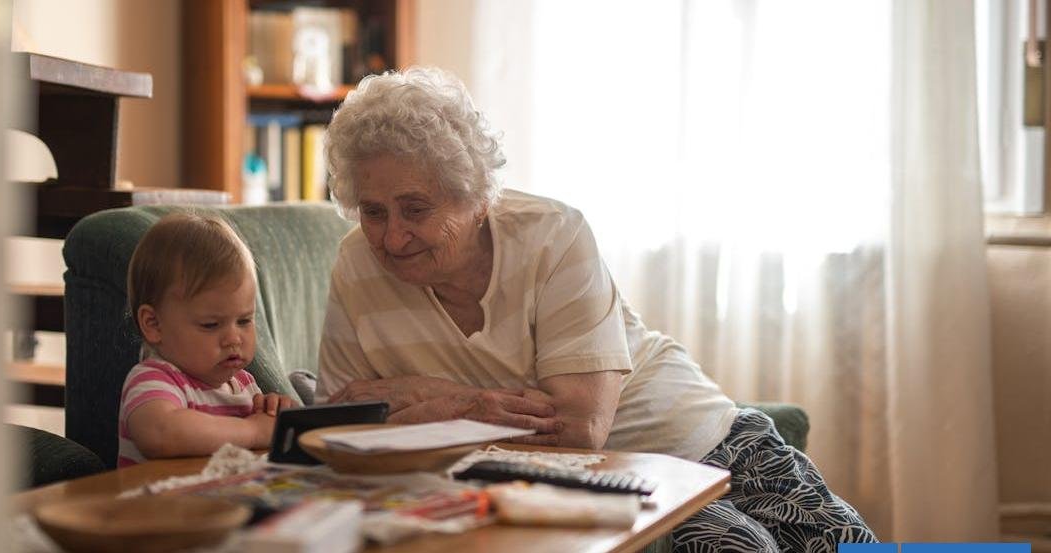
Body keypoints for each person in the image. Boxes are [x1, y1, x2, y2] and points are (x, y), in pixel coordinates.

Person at [316, 67, 877, 551]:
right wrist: (458, 414)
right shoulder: (356, 266)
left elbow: (578, 427)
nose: (391, 239)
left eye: (414, 209)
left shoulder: (553, 236)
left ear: (477, 198)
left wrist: (441, 403)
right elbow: (336, 427)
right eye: (372, 211)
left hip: (698, 441)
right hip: (591, 483)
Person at [117, 212, 294, 467]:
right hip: (161, 505)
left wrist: (275, 415)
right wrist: (253, 431)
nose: (234, 338)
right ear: (153, 324)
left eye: (244, 320)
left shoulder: (245, 386)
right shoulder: (153, 379)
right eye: (211, 325)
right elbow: (162, 434)